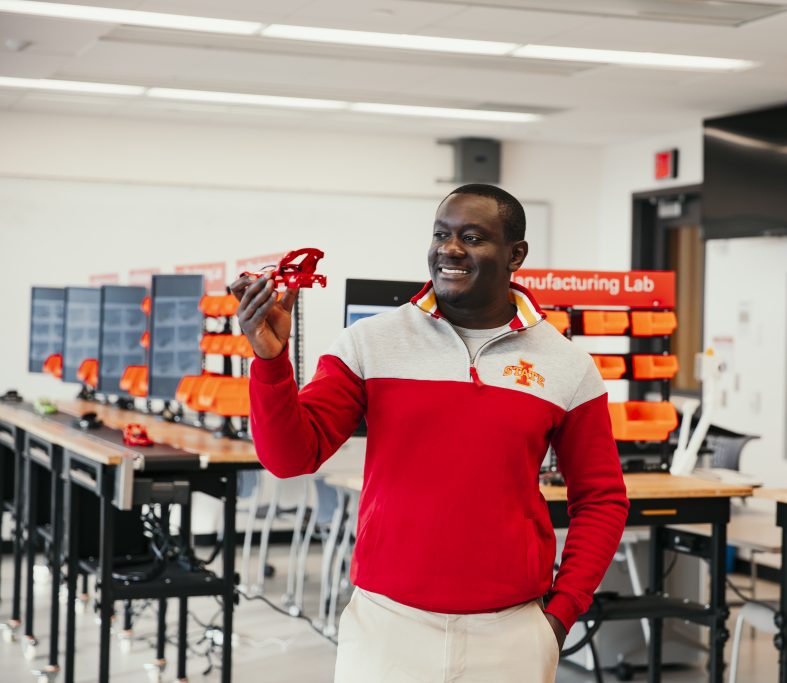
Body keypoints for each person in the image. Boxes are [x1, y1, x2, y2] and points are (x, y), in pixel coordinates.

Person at [231, 184, 628, 682]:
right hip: (386, 630)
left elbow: (602, 498)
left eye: (473, 237)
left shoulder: (566, 365)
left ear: (516, 255)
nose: (450, 249)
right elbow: (290, 458)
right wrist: (270, 361)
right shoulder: (369, 343)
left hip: (511, 636)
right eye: (441, 234)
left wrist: (559, 616)